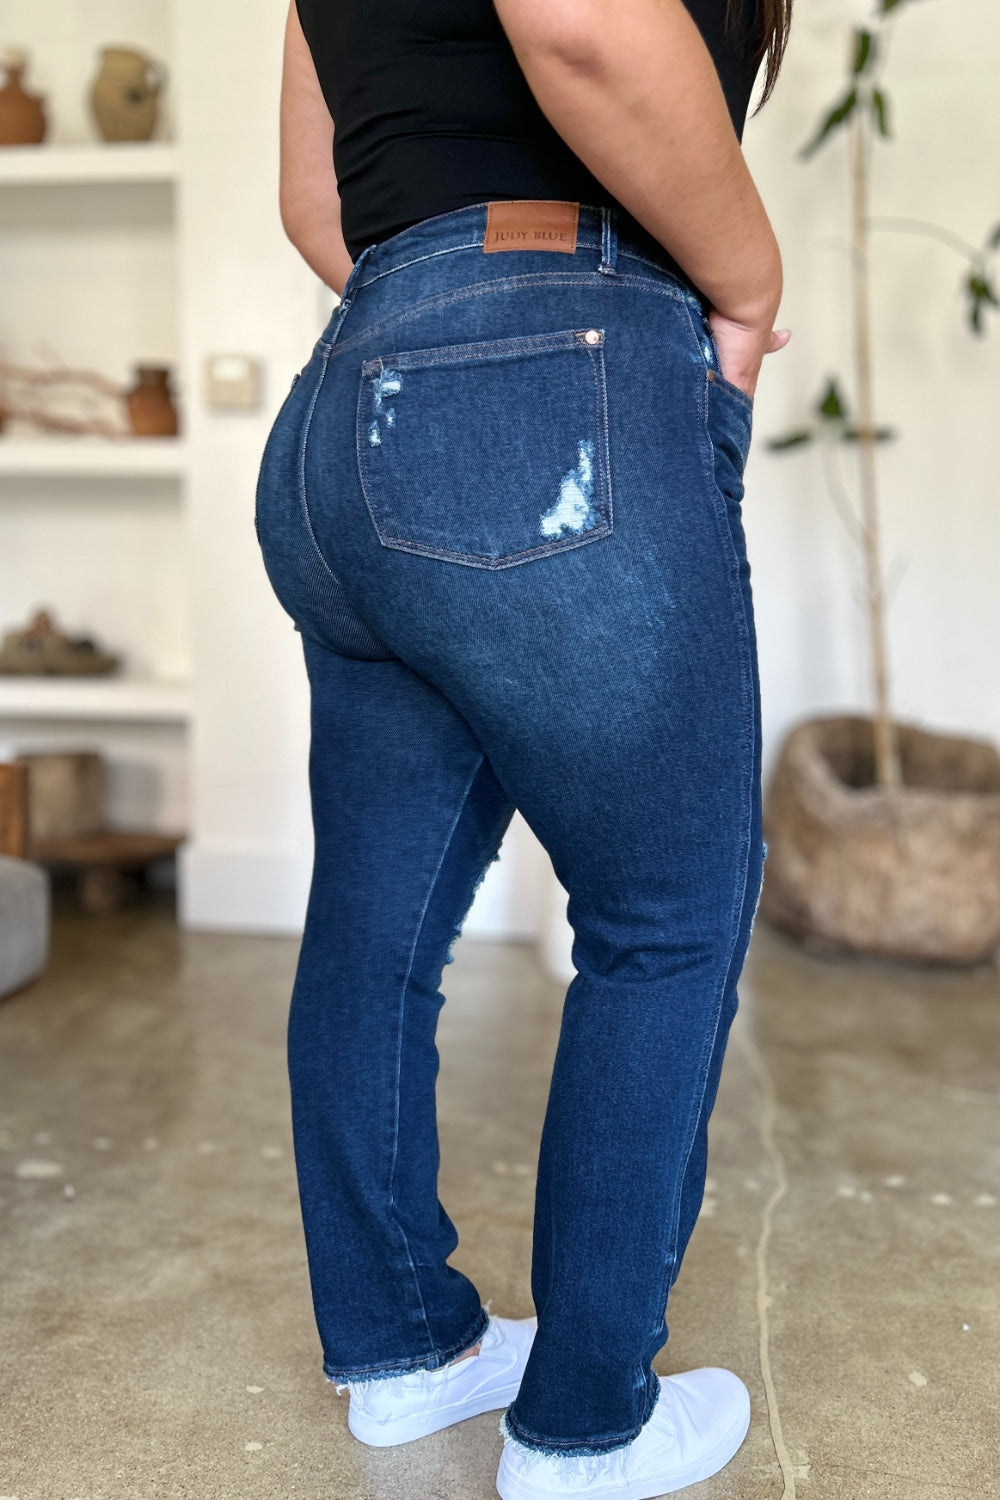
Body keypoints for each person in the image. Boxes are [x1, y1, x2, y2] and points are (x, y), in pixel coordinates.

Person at [255, 1, 794, 1495]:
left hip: (339, 414)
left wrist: (437, 336)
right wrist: (745, 290)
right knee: (669, 916)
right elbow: (583, 26)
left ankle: (403, 1350)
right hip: (544, 376)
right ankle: (583, 1428)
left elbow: (319, 202)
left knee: (378, 919)